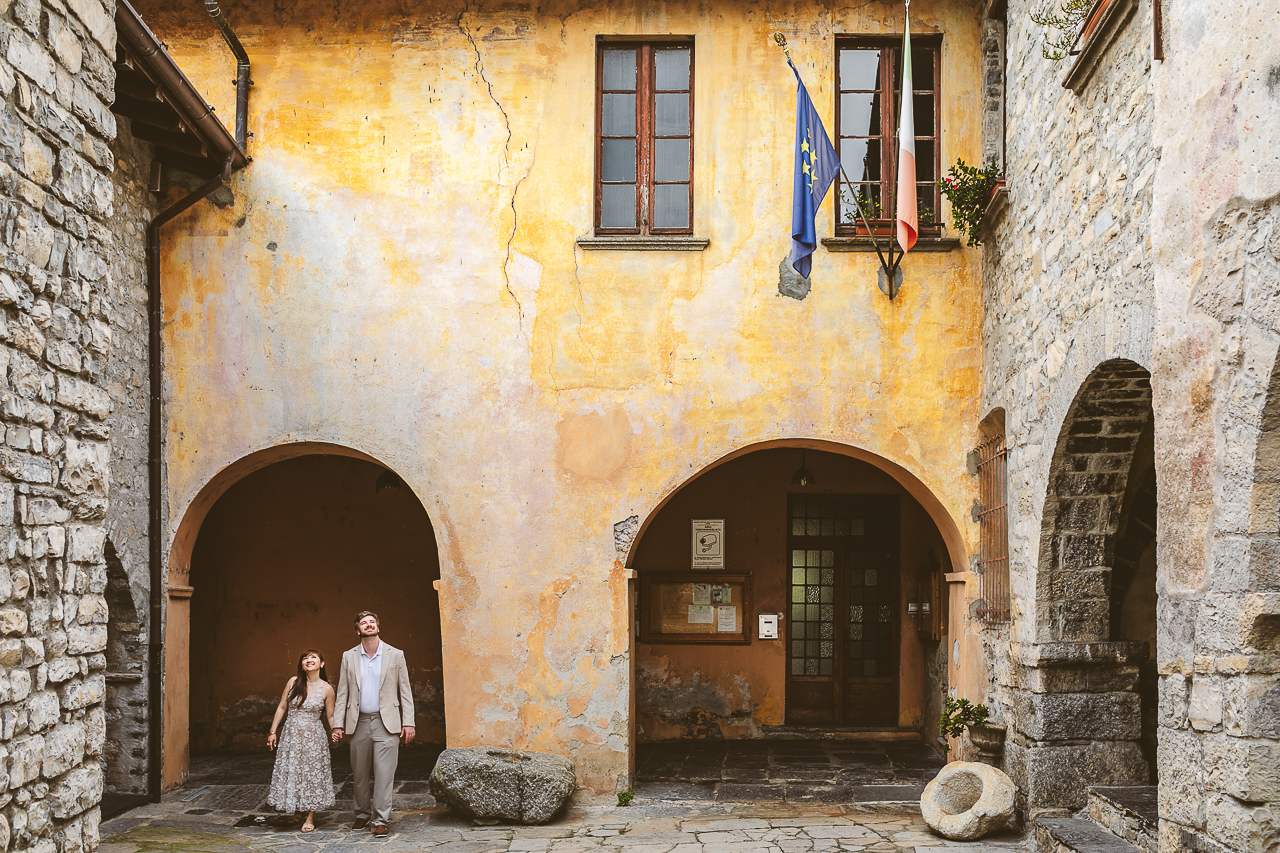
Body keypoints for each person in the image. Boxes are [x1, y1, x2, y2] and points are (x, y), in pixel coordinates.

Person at [331, 611, 415, 837]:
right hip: (357, 722)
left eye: (372, 622)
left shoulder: (395, 654)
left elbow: (405, 690)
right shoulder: (348, 656)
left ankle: (381, 819)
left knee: (385, 773)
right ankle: (361, 814)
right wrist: (337, 725)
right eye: (363, 623)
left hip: (386, 723)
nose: (368, 625)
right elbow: (343, 693)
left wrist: (409, 722)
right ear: (358, 630)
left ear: (378, 626)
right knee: (359, 773)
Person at [266, 650, 336, 832]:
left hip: (314, 738)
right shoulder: (293, 682)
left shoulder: (327, 688)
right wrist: (273, 731)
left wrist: (336, 730)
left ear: (322, 664)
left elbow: (330, 715)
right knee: (294, 772)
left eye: (313, 657)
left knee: (312, 775)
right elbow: (282, 706)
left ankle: (310, 816)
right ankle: (299, 810)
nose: (308, 660)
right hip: (291, 736)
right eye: (305, 658)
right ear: (302, 665)